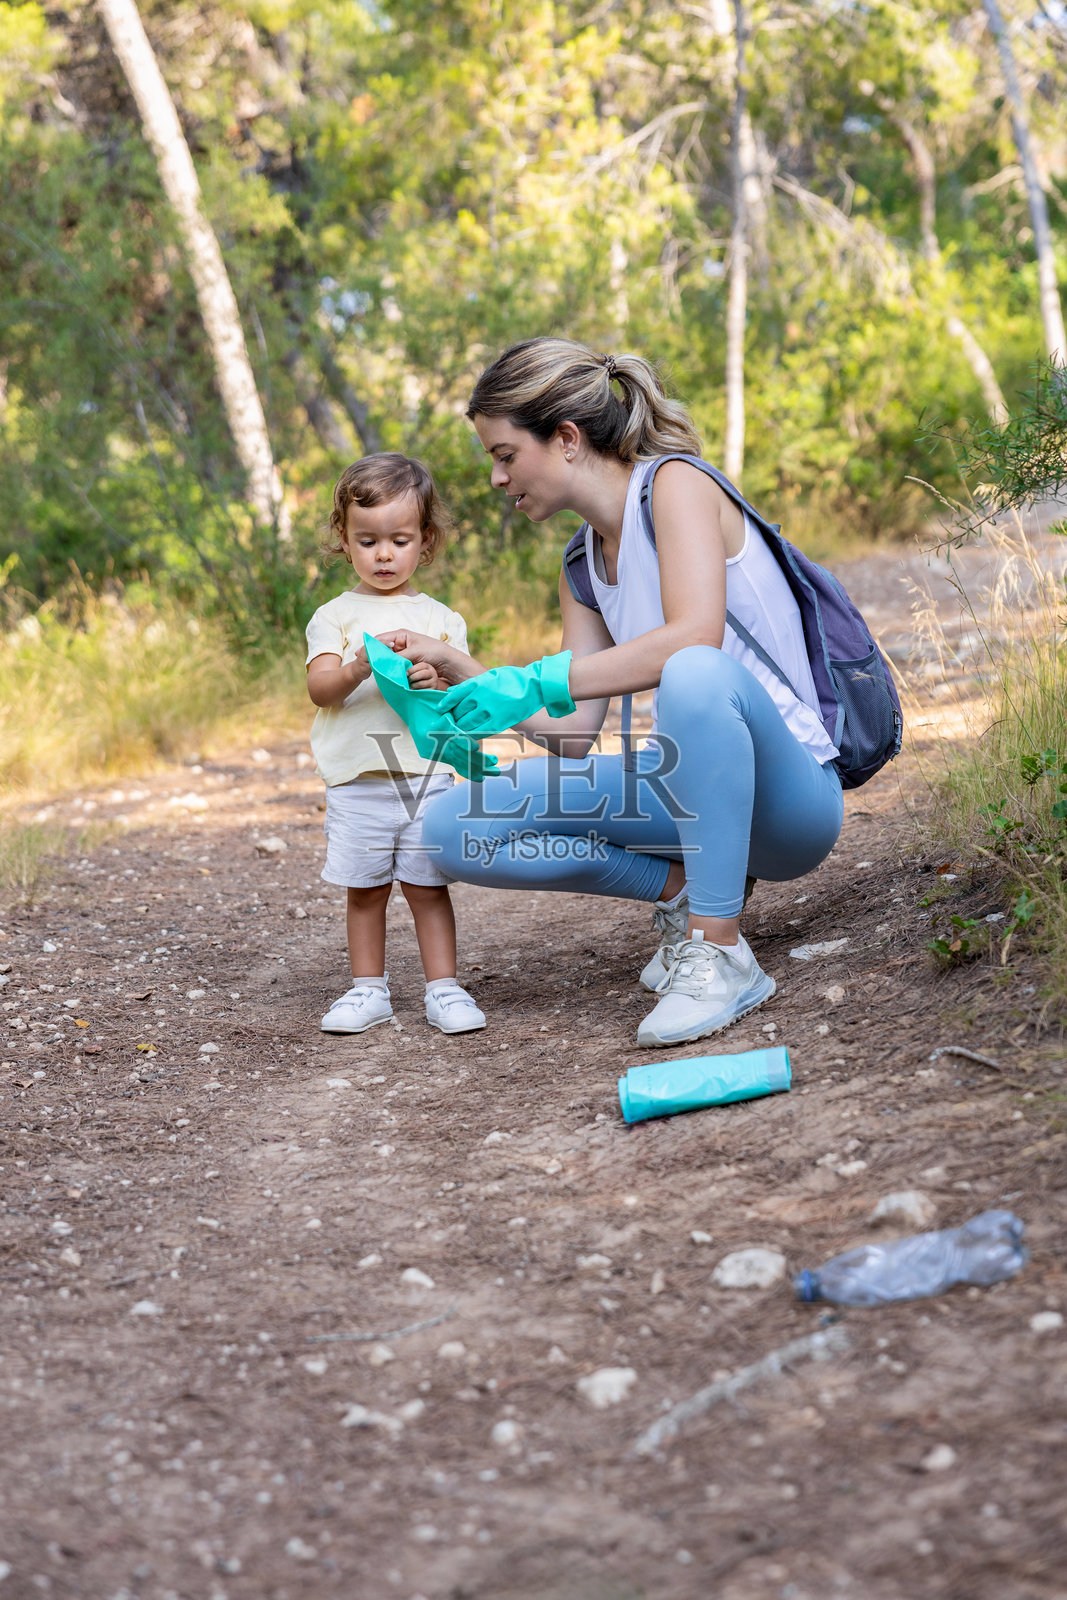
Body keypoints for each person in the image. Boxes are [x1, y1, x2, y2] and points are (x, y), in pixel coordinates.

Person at [379, 340, 844, 1046]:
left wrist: (530, 679)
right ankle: (683, 900)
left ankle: (720, 952)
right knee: (450, 828)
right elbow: (571, 734)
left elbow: (694, 635)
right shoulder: (581, 560)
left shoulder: (678, 487)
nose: (498, 479)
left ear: (564, 439)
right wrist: (468, 671)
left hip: (789, 801)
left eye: (504, 455)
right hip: (690, 794)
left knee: (692, 668)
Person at [305, 453, 486, 1036]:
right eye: (368, 540)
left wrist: (433, 677)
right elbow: (320, 689)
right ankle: (368, 991)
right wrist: (359, 664)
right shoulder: (333, 616)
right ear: (344, 539)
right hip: (359, 782)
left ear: (424, 541)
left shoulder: (440, 619)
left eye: (400, 539)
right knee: (365, 890)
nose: (384, 554)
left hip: (425, 774)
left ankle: (444, 988)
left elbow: (458, 688)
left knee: (427, 888)